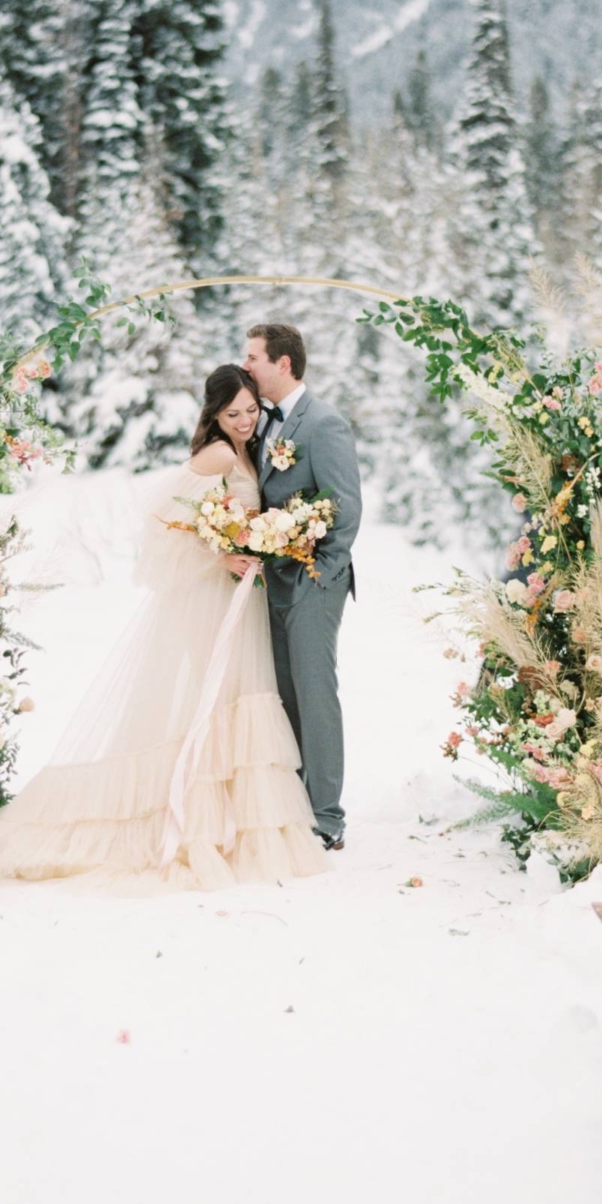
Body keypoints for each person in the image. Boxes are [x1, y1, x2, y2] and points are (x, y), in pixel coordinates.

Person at [0, 363, 328, 891]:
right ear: (215, 414)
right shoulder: (220, 452)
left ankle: (230, 821)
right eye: (234, 413)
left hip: (239, 598)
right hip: (211, 596)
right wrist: (220, 554)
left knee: (234, 701)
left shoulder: (244, 448)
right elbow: (164, 522)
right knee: (219, 701)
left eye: (252, 410)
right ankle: (201, 824)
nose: (246, 419)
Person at [244, 323, 362, 851]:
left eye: (253, 357)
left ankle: (327, 817)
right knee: (285, 693)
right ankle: (293, 803)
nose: (247, 366)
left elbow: (346, 508)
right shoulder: (263, 422)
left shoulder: (325, 424)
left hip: (315, 581)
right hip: (272, 581)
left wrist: (321, 570)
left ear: (283, 363)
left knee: (316, 695)